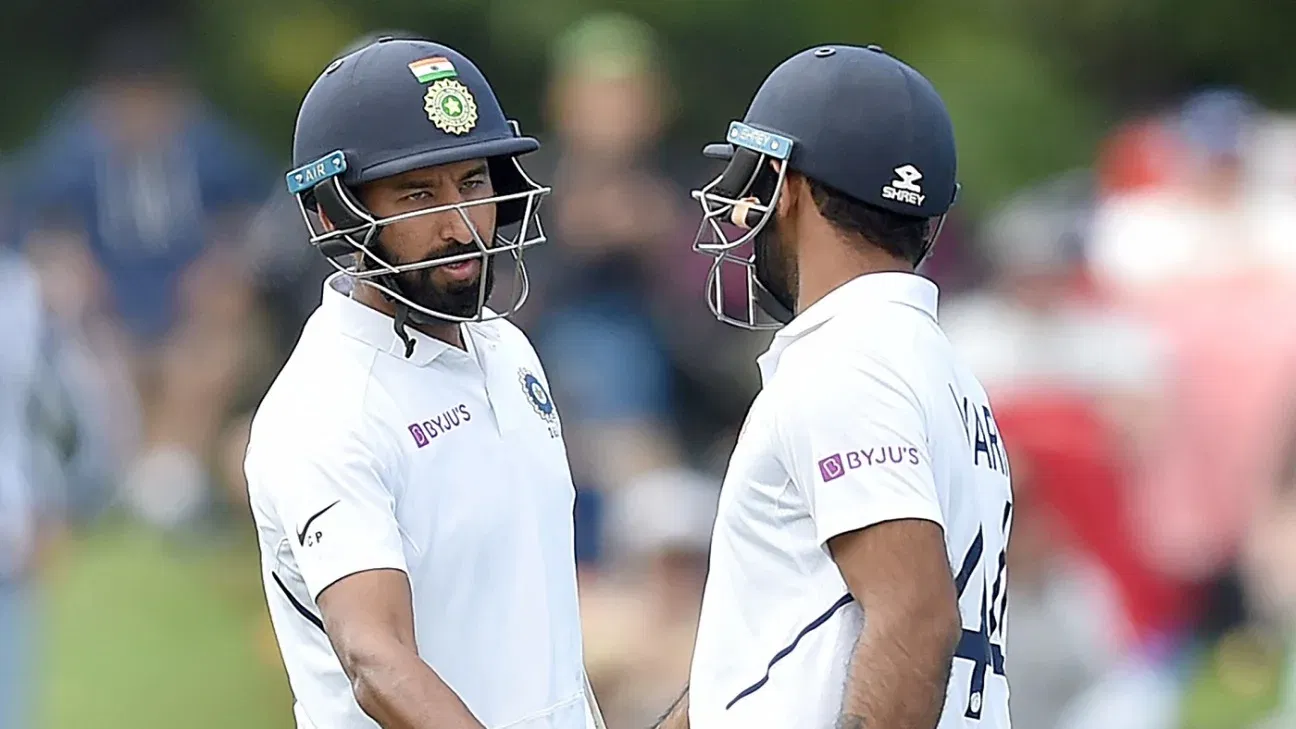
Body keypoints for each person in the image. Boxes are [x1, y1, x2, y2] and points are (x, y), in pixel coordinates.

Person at [655, 44, 1014, 729]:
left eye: (757, 184)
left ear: (788, 186)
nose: (740, 216)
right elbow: (768, 659)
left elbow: (915, 619)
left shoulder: (846, 360)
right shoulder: (938, 366)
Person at [244, 37, 599, 729]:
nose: (460, 225)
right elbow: (377, 659)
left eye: (472, 183)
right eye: (418, 194)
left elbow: (538, 640)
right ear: (332, 214)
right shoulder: (325, 407)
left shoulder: (509, 350)